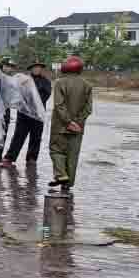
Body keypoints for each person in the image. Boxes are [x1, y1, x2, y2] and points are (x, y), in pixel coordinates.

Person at [49, 55, 92, 192]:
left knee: (56, 150)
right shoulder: (87, 85)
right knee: (73, 155)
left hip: (60, 125)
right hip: (78, 128)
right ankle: (68, 184)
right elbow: (88, 108)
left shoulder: (59, 83)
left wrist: (68, 121)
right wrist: (77, 122)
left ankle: (61, 175)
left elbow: (59, 105)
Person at [3, 62, 51, 164]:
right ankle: (10, 157)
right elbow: (16, 94)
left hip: (38, 115)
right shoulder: (24, 80)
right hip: (23, 114)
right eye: (35, 67)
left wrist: (34, 102)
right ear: (31, 69)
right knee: (18, 136)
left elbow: (46, 96)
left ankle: (32, 158)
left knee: (36, 137)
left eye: (39, 67)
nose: (37, 69)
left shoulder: (45, 82)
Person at [0, 58, 23, 167]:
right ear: (2, 66)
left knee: (2, 134)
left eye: (12, 67)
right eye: (8, 66)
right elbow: (0, 97)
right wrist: (2, 113)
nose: (10, 68)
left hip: (5, 109)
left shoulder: (6, 77)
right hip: (0, 110)